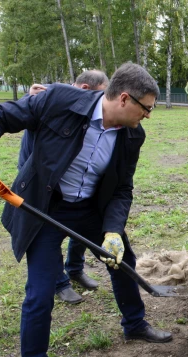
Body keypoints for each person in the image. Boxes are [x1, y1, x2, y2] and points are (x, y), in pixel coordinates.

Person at [0, 62, 172, 357]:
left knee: (122, 260)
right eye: (146, 108)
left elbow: (122, 187)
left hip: (90, 208)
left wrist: (112, 231)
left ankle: (134, 323)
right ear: (124, 98)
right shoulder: (60, 101)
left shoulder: (133, 135)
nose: (148, 116)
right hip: (46, 206)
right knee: (41, 290)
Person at [19, 70, 110, 304]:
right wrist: (30, 98)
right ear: (85, 90)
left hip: (71, 178)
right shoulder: (53, 98)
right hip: (42, 178)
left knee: (81, 222)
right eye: (102, 96)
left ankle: (75, 268)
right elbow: (19, 110)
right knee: (49, 232)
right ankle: (59, 282)